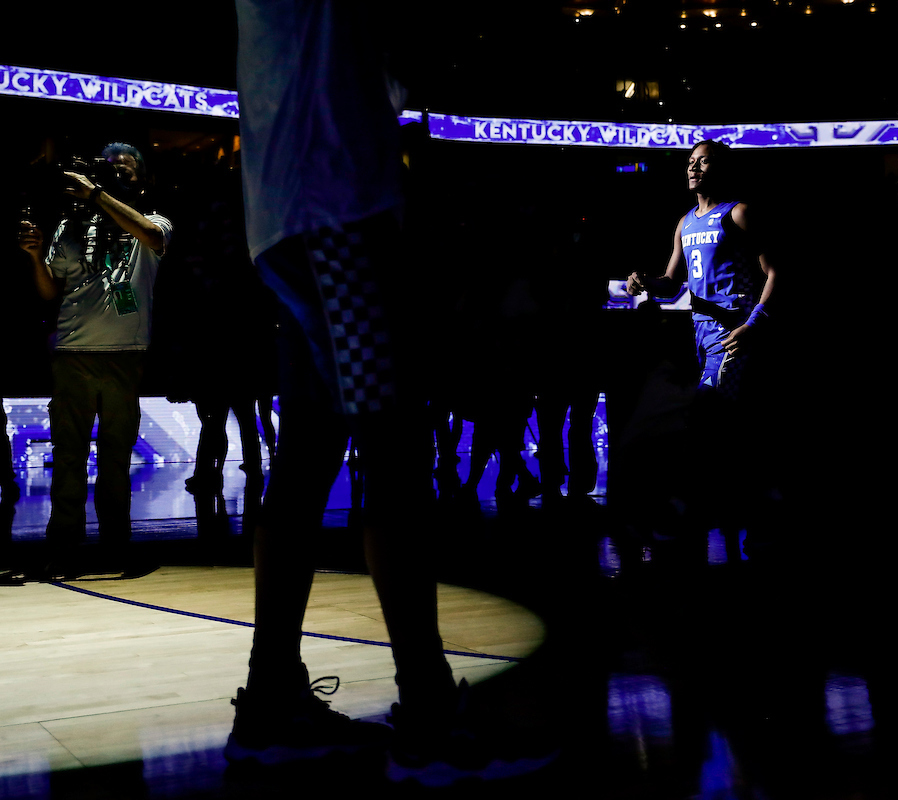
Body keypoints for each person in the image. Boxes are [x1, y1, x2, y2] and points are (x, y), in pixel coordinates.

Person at [228, 1, 552, 784]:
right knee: (395, 447)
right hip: (333, 208)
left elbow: (391, 78)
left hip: (294, 214)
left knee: (308, 455)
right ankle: (430, 719)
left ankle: (272, 700)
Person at [18, 142, 171, 579]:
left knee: (116, 459)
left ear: (143, 179)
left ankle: (116, 546)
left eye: (129, 169)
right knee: (68, 457)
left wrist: (97, 196)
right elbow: (51, 292)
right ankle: (64, 548)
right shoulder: (70, 225)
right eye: (113, 169)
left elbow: (152, 237)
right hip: (72, 354)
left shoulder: (154, 220)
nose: (120, 174)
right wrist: (34, 256)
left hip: (125, 356)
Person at [624, 139, 780, 548]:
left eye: (703, 162)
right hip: (700, 336)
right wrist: (645, 280)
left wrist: (754, 323)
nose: (693, 168)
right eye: (690, 162)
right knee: (727, 429)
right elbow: (672, 282)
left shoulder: (739, 213)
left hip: (733, 337)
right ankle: (745, 513)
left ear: (721, 169)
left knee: (706, 420)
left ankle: (691, 511)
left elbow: (777, 272)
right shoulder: (685, 222)